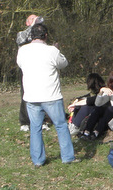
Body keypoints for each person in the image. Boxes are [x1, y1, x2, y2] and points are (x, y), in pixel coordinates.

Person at [16, 23, 77, 166]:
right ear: (46, 36)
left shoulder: (23, 50)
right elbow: (64, 63)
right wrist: (57, 50)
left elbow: (20, 64)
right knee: (61, 126)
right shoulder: (51, 51)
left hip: (31, 96)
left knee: (35, 129)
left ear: (31, 36)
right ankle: (67, 157)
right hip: (51, 96)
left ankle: (38, 160)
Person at [17, 14, 46, 132]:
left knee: (42, 94)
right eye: (32, 19)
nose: (35, 21)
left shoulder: (41, 33)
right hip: (26, 68)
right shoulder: (21, 33)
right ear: (27, 23)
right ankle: (24, 121)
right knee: (26, 94)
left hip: (40, 67)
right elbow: (21, 40)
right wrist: (33, 26)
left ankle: (42, 121)